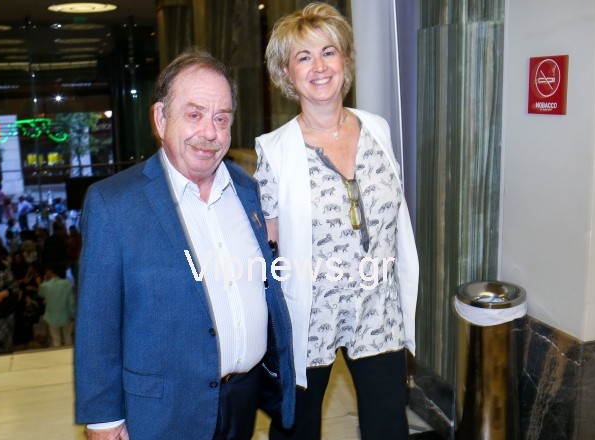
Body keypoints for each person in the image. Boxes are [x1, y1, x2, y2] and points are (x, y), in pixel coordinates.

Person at [74, 49, 296, 440]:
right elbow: (97, 323)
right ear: (161, 118)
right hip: (164, 412)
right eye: (194, 115)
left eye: (221, 119)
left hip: (243, 399)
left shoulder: (246, 190)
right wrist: (103, 420)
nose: (209, 133)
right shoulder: (113, 204)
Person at [255, 4, 419, 440]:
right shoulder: (275, 151)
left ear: (345, 60)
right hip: (311, 313)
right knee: (296, 429)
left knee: (389, 427)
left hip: (378, 309)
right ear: (286, 73)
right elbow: (269, 244)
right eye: (303, 57)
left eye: (328, 52)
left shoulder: (377, 129)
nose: (319, 66)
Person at [39, 265, 75, 347]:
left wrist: (45, 280)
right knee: (68, 337)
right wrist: (73, 314)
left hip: (52, 316)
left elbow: (41, 294)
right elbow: (71, 301)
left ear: (50, 271)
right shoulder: (66, 283)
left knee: (56, 339)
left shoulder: (45, 286)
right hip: (65, 315)